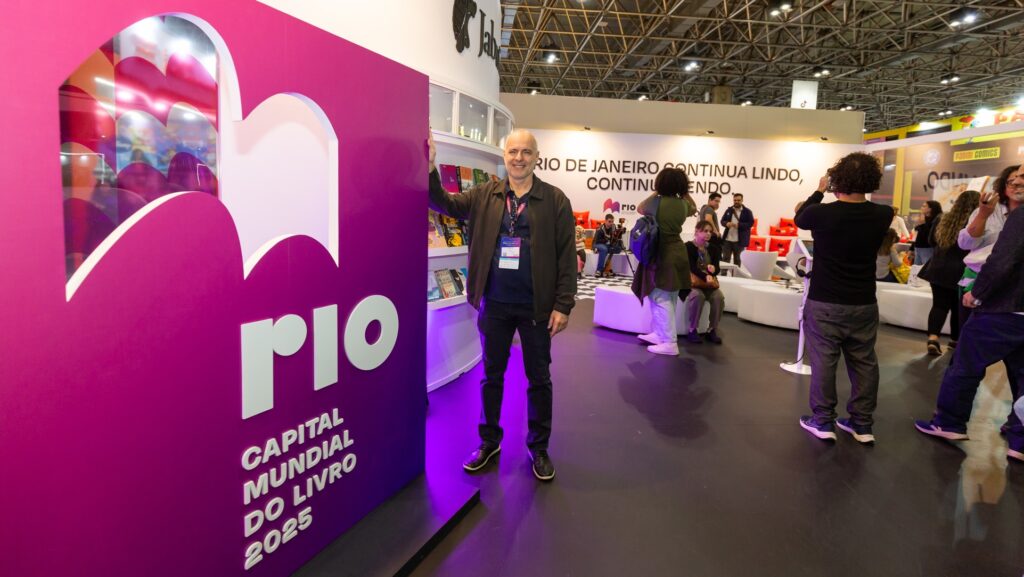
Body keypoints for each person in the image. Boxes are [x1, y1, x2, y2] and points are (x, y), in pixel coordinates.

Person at [427, 129, 576, 481]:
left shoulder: (554, 200)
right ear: (504, 155)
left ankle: (538, 447)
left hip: (537, 306)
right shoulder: (486, 193)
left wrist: (564, 305)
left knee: (539, 378)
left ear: (537, 157)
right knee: (491, 377)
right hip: (494, 303)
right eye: (513, 151)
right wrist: (431, 166)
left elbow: (567, 256)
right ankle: (488, 441)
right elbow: (445, 205)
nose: (519, 158)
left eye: (526, 152)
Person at [794, 152, 894, 444]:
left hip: (825, 300)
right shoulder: (883, 214)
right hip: (863, 301)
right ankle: (862, 424)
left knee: (824, 361)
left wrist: (819, 190)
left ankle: (823, 420)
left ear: (837, 179)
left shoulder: (822, 213)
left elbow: (800, 217)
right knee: (864, 362)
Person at [914, 204, 1024, 464]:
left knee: (965, 364)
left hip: (1004, 308)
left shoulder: (1020, 216)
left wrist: (978, 292)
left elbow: (1003, 259)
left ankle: (949, 422)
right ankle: (1020, 439)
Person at [632, 167, 696, 356]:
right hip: (677, 251)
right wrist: (685, 193)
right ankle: (661, 334)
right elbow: (693, 207)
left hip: (662, 252)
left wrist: (657, 191)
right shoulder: (683, 204)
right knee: (669, 296)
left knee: (660, 297)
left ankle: (669, 342)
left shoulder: (657, 203)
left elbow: (640, 207)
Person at [957, 165, 1021, 332]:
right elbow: (965, 243)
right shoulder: (990, 210)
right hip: (977, 279)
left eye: (1022, 180)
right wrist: (983, 215)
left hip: (1016, 287)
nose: (1016, 183)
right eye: (1011, 181)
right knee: (970, 337)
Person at [918, 191, 980, 356]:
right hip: (961, 271)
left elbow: (931, 241)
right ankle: (955, 340)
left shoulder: (942, 218)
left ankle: (933, 338)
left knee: (939, 305)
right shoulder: (975, 222)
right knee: (957, 307)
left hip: (937, 268)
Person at [684, 220, 725, 344]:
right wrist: (704, 275)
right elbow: (691, 267)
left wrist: (713, 270)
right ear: (697, 231)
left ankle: (712, 329)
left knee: (719, 297)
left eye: (710, 231)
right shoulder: (688, 247)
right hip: (694, 282)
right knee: (698, 296)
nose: (708, 234)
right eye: (705, 231)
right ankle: (692, 330)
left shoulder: (713, 248)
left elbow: (717, 268)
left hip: (709, 283)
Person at [720, 193, 754, 265]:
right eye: (735, 200)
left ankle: (736, 275)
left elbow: (750, 223)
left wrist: (740, 225)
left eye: (738, 200)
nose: (736, 202)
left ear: (742, 200)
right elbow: (722, 221)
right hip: (727, 240)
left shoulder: (747, 212)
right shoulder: (729, 210)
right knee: (725, 259)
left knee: (737, 260)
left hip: (739, 241)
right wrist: (726, 223)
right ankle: (723, 275)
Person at [911, 200, 942, 266]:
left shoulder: (936, 220)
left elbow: (929, 235)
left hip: (927, 248)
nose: (921, 208)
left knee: (925, 269)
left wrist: (922, 224)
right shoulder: (923, 218)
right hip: (918, 247)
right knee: (916, 270)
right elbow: (917, 234)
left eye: (924, 206)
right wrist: (911, 248)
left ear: (930, 209)